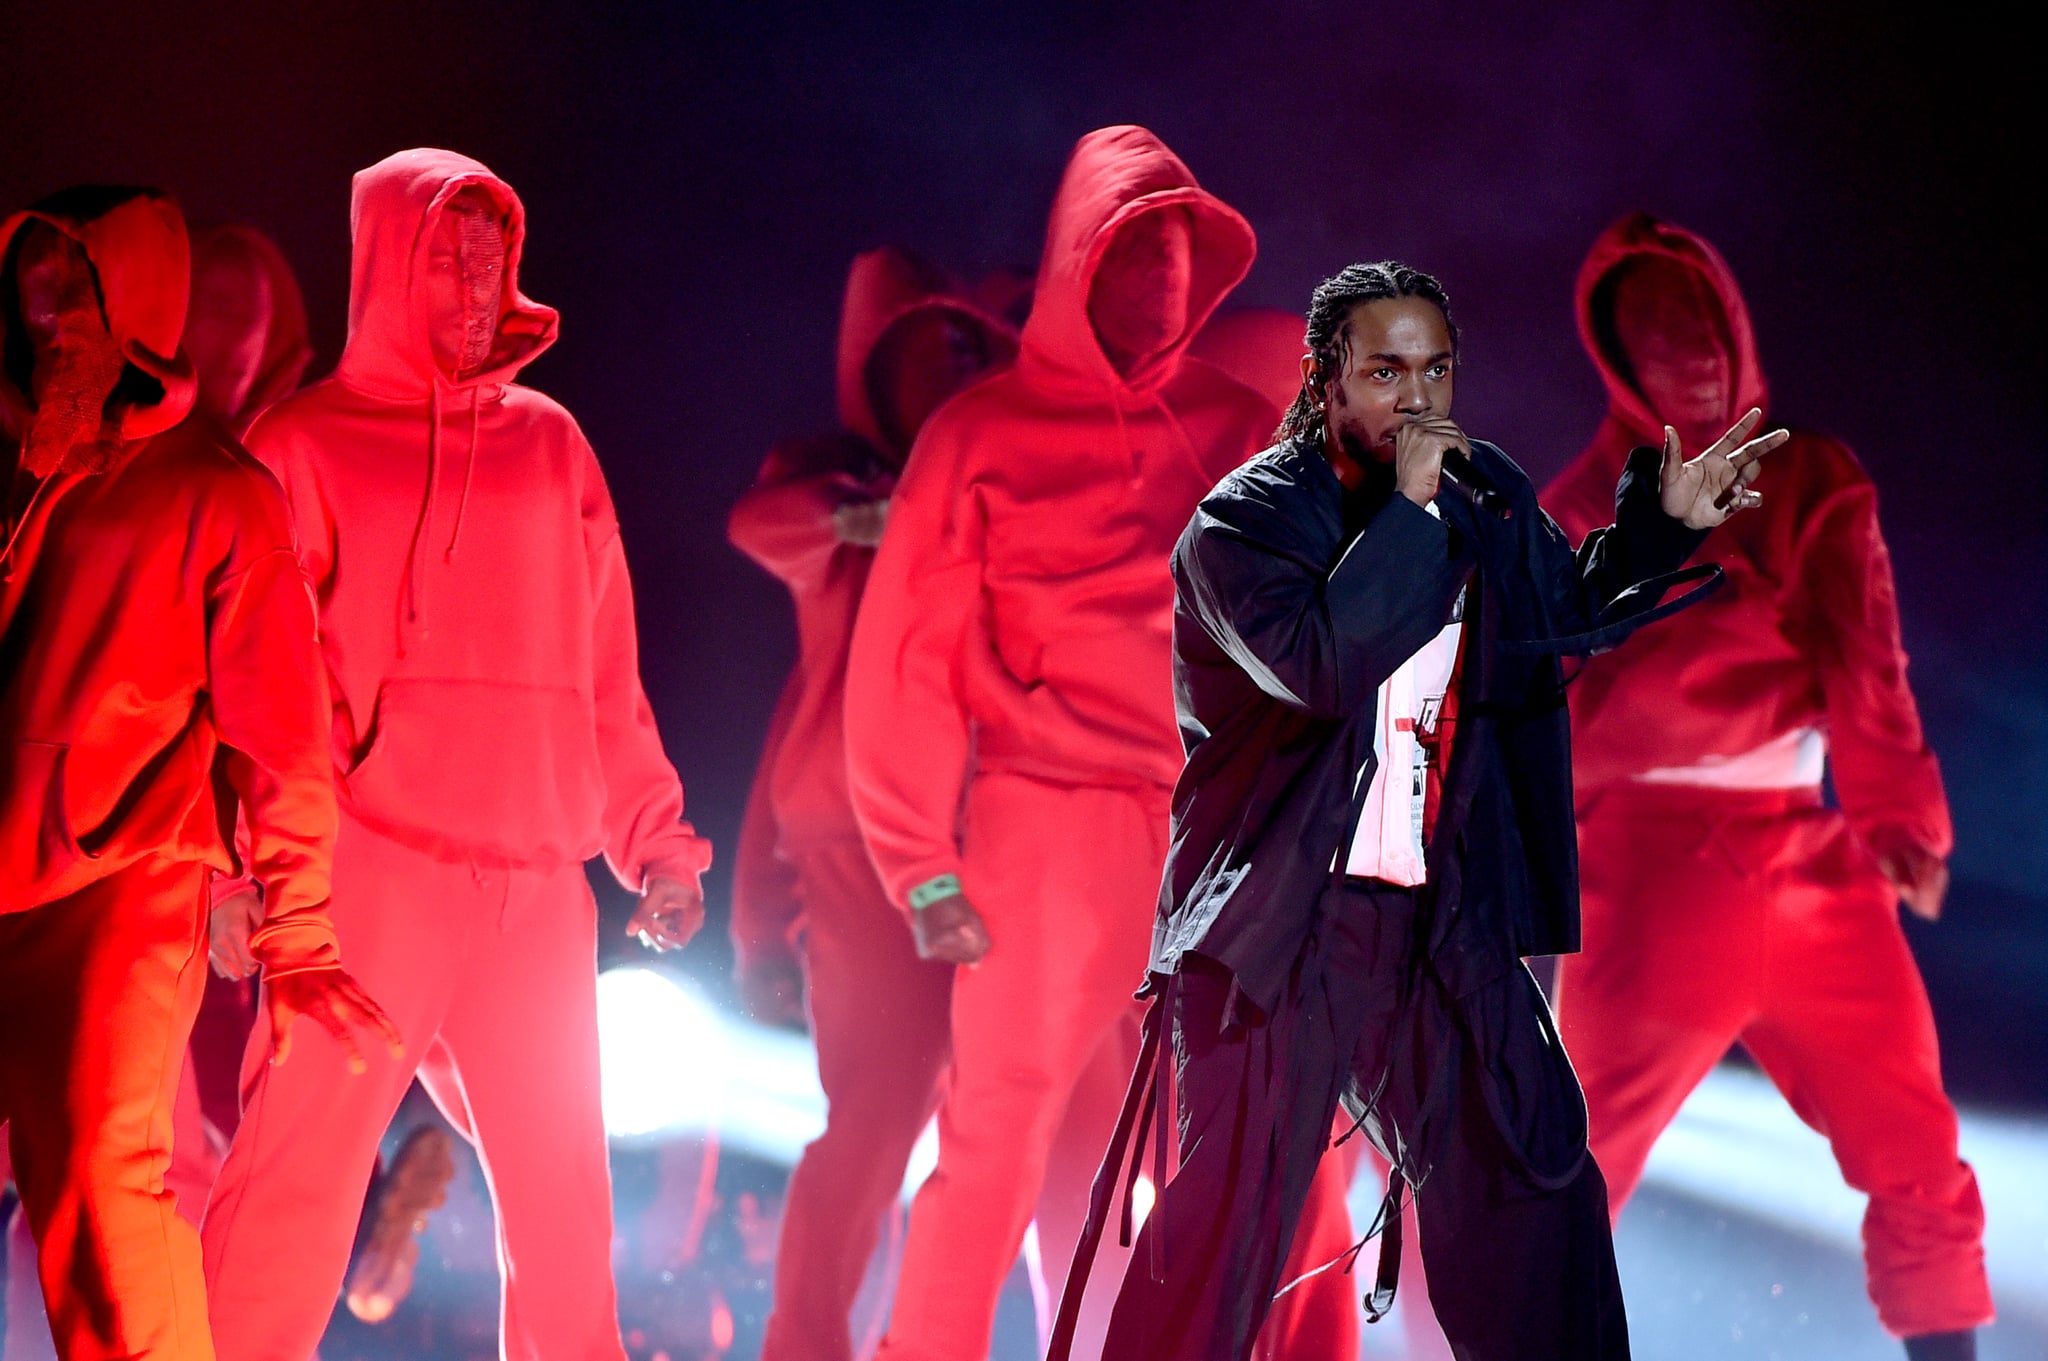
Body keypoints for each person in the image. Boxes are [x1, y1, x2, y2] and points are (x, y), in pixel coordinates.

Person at [1063, 260, 1785, 1361]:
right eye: (1385, 370)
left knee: (1533, 1189)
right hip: (1278, 929)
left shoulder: (1477, 492)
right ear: (1321, 380)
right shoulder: (1241, 526)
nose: (1416, 399)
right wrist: (1403, 513)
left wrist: (1655, 530)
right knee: (1215, 1240)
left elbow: (1553, 614)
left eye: (1434, 370)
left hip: (1434, 926)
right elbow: (1319, 663)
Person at [199, 148, 713, 1361]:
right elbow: (247, 688)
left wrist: (655, 842)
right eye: (446, 255)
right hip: (366, 877)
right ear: (386, 262)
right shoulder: (302, 446)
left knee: (566, 1223)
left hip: (535, 892)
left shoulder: (551, 447)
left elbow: (605, 667)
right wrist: (232, 875)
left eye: (492, 254)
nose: (476, 281)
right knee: (294, 1193)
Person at [842, 125, 1273, 1361]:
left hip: (1205, 835)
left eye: (1182, 255)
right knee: (994, 1134)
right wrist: (921, 865)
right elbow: (908, 666)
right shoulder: (980, 435)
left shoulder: (1241, 433)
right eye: (1138, 252)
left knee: (1191, 1151)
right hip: (1044, 817)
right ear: (1079, 259)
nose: (1164, 283)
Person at [1543, 213, 1992, 1361]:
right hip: (1643, 871)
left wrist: (1896, 818)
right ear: (1616, 359)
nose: (1682, 351)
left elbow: (1863, 652)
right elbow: (1515, 704)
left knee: (1916, 1150)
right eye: (1649, 333)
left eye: (1695, 321)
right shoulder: (1579, 505)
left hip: (1805, 854)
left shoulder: (1810, 475)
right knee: (1561, 1172)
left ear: (1732, 328)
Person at [0, 185, 394, 1361]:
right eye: (38, 282)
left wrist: (301, 932)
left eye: (79, 283)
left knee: (101, 1197)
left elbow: (284, 736)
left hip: (121, 886)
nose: (52, 309)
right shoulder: (24, 470)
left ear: (141, 301)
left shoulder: (223, 492)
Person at [726, 245, 1017, 1361]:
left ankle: (926, 1339)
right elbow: (765, 523)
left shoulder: (1000, 482)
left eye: (963, 346)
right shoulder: (834, 488)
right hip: (856, 840)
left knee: (984, 1124)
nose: (945, 368)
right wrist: (856, 515)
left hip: (988, 829)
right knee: (879, 1111)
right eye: (922, 347)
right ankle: (805, 1345)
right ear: (874, 368)